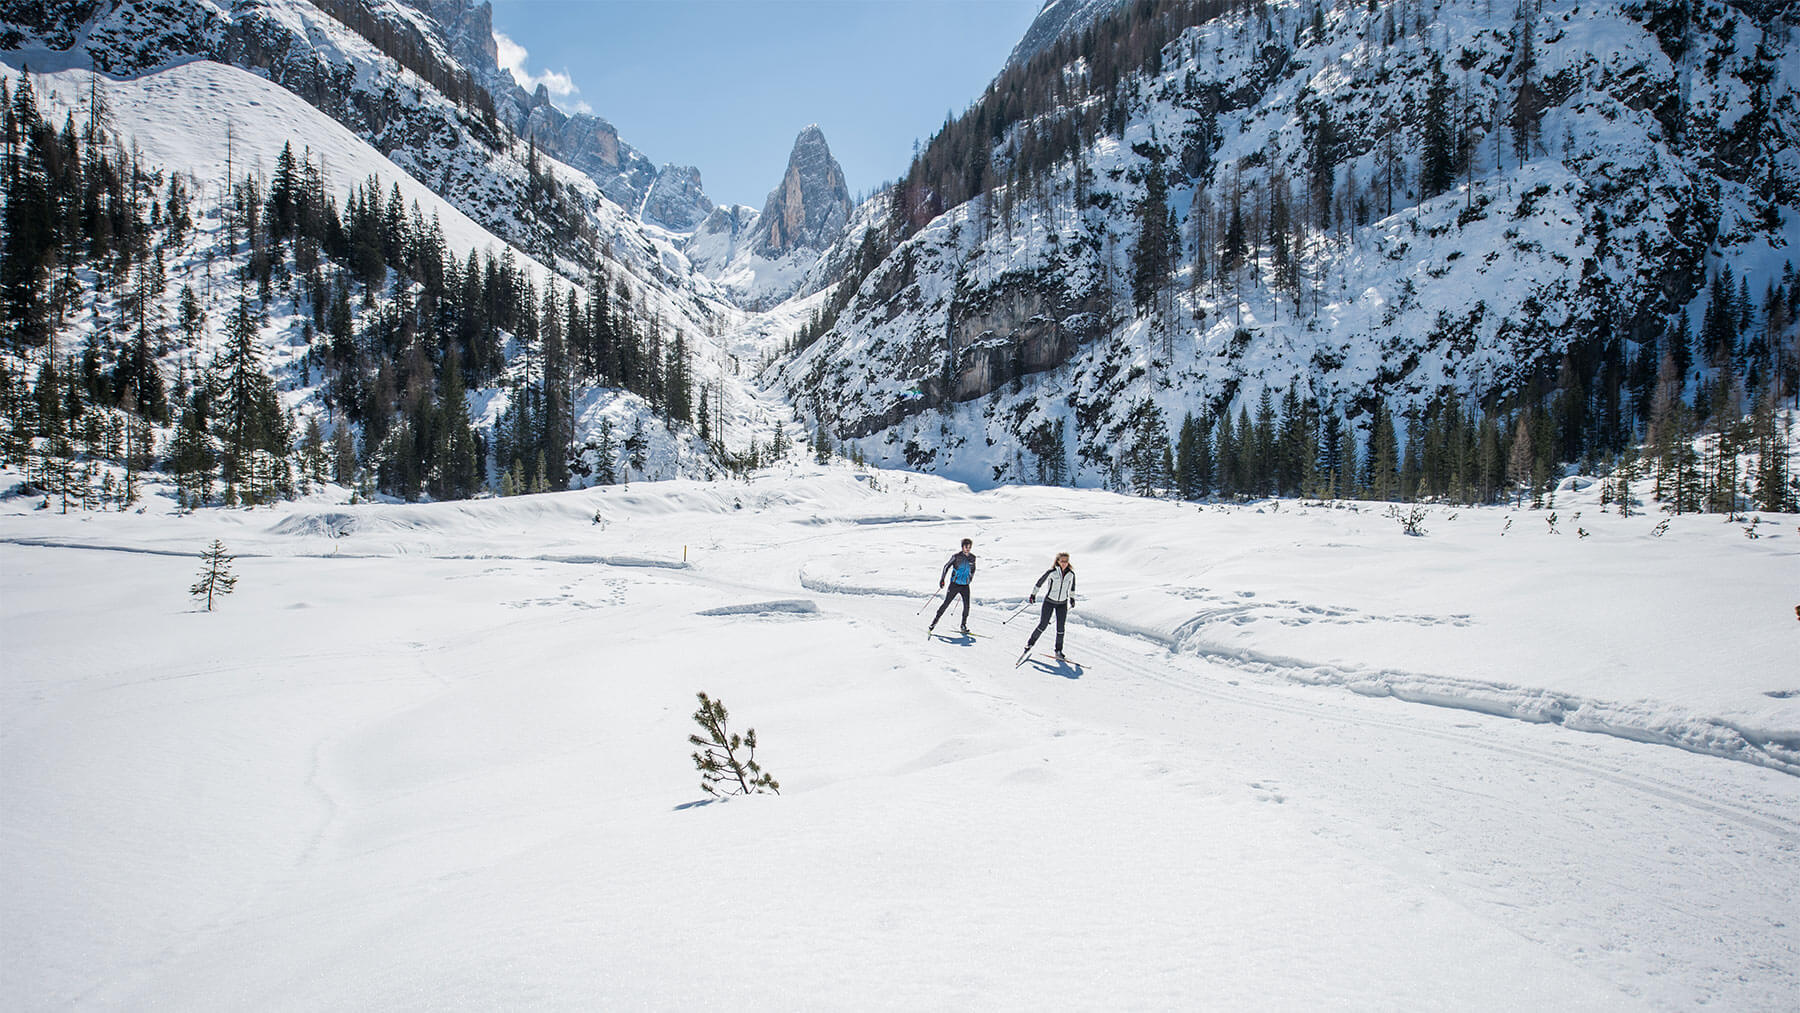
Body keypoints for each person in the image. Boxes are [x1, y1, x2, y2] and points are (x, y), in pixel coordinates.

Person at [1023, 552, 1076, 662]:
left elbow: (1072, 588)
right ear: (1057, 561)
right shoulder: (1052, 572)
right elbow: (1039, 583)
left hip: (1062, 603)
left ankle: (1058, 650)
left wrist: (1072, 598)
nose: (1064, 563)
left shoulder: (1071, 574)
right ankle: (1030, 643)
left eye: (1066, 561)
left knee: (1061, 628)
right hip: (1049, 602)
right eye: (1062, 561)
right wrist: (1033, 594)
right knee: (1043, 625)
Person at [930, 537, 977, 635]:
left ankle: (963, 625)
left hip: (965, 586)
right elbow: (946, 566)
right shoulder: (956, 557)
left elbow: (973, 569)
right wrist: (942, 579)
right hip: (954, 585)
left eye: (969, 547)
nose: (968, 549)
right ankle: (934, 622)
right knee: (946, 604)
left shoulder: (972, 557)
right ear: (962, 547)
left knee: (967, 606)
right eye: (966, 547)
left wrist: (970, 578)